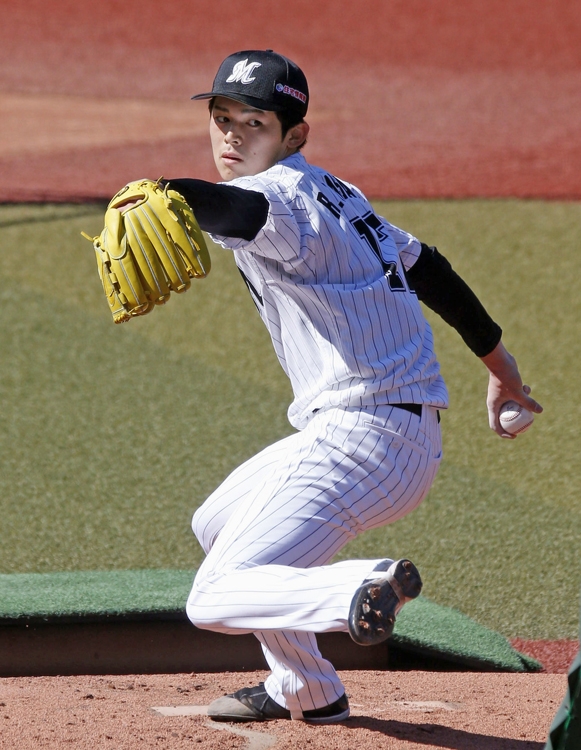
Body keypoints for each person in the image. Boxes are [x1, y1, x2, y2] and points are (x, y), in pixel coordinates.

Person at [160, 49, 542, 723]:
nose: (231, 136)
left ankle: (358, 589)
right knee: (216, 524)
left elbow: (231, 209)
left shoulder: (278, 199)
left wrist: (168, 192)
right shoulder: (337, 193)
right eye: (222, 119)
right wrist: (501, 369)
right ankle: (307, 688)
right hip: (388, 437)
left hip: (360, 441)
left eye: (253, 123)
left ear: (293, 136)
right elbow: (433, 270)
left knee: (213, 597)